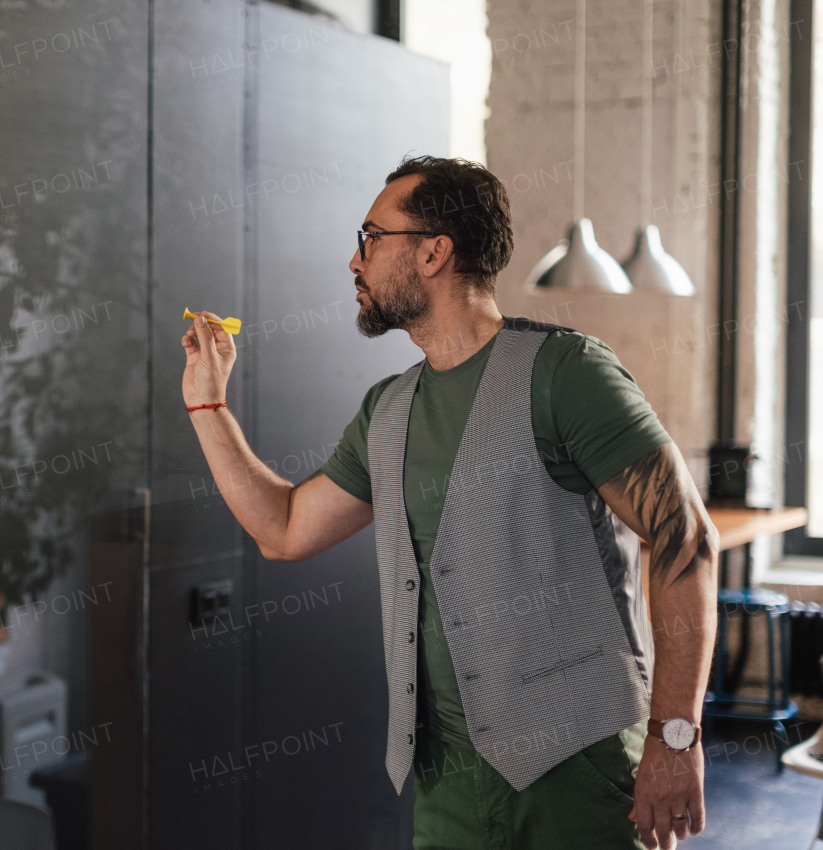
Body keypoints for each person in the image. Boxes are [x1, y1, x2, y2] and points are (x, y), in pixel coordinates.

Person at [180, 155, 717, 850]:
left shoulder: (566, 373)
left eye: (371, 236)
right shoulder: (387, 410)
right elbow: (282, 528)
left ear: (434, 252)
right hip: (448, 786)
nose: (354, 259)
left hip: (577, 772)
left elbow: (685, 540)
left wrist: (675, 739)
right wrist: (207, 401)